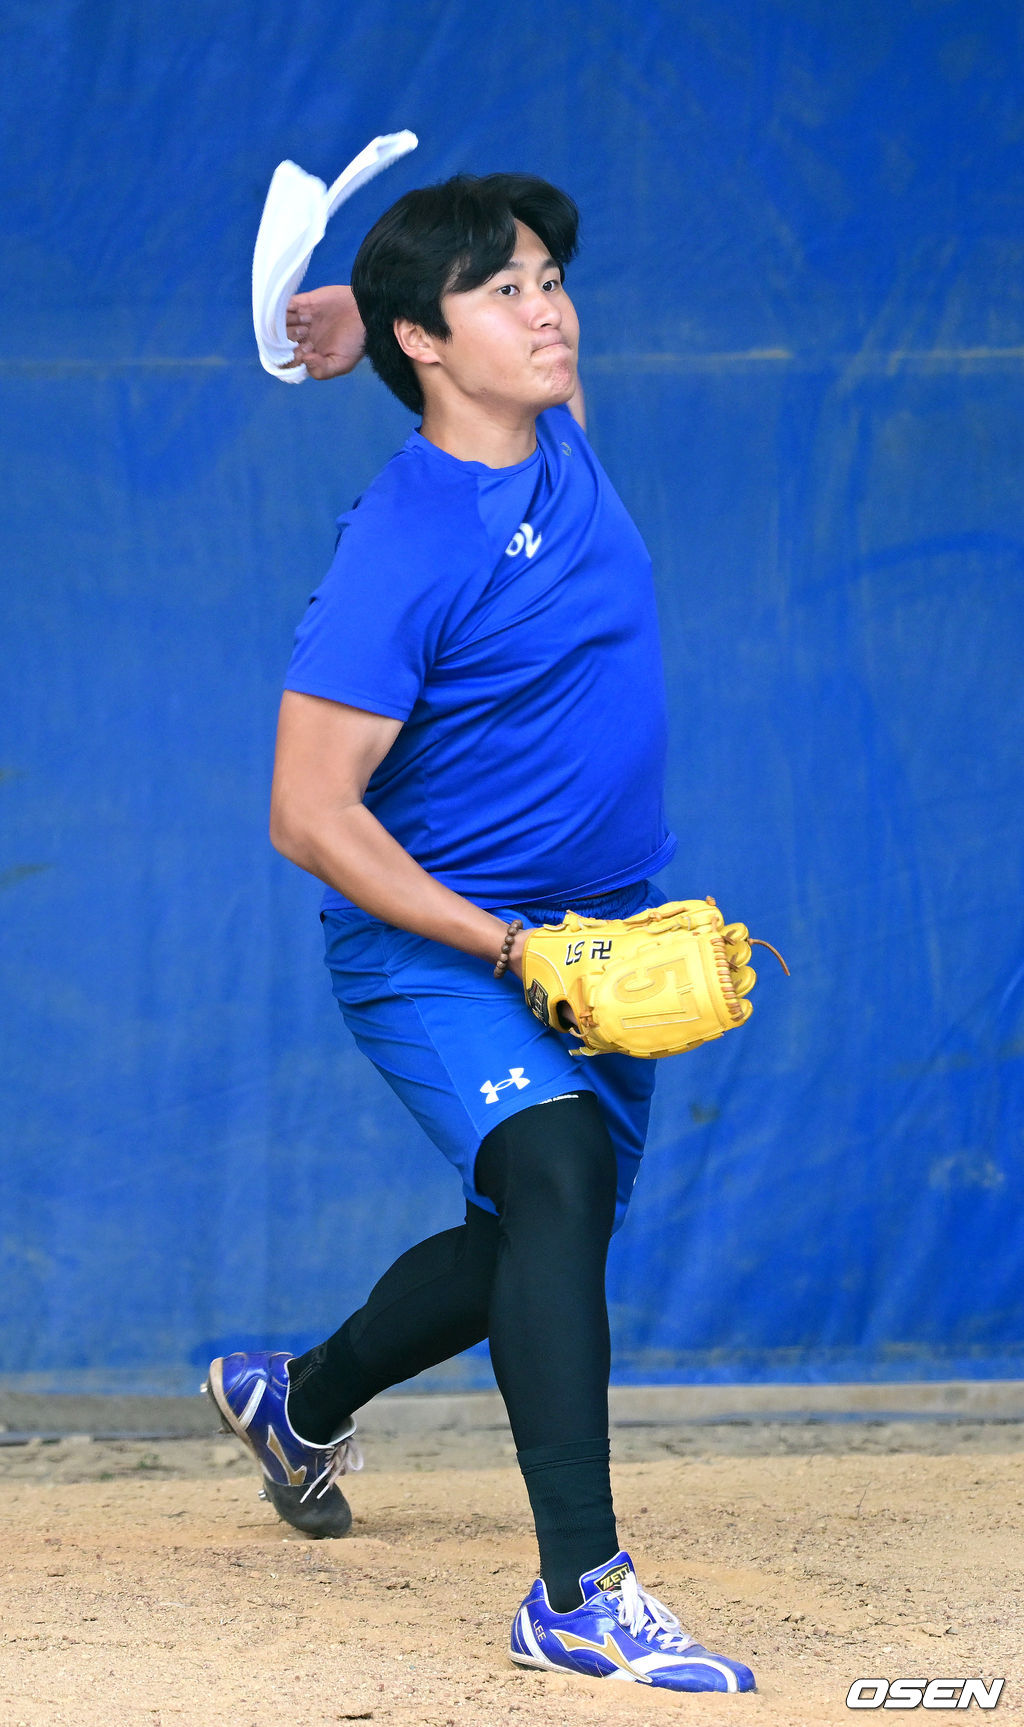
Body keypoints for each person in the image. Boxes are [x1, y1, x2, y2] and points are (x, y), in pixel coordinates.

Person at [206, 173, 755, 1694]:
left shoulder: (559, 435)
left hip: (608, 933)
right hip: (443, 945)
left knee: (536, 1230)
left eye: (550, 279)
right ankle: (580, 1591)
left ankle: (299, 1400)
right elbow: (309, 812)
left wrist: (376, 311)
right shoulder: (404, 541)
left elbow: (485, 335)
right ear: (430, 341)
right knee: (558, 1175)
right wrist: (510, 950)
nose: (550, 310)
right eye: (504, 292)